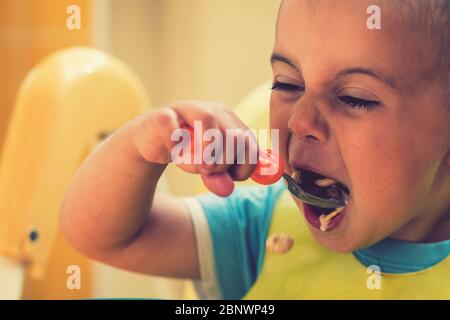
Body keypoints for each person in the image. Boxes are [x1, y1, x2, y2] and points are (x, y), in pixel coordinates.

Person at [60, 0, 450, 299]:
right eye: (287, 84)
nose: (299, 121)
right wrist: (142, 145)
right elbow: (102, 235)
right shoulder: (260, 232)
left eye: (354, 98)